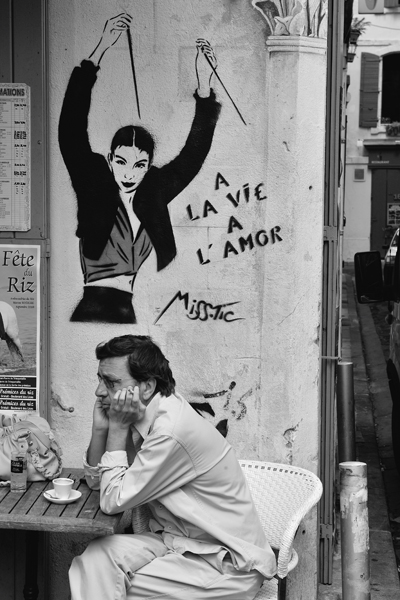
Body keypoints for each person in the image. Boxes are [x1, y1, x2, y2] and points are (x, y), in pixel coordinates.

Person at [69, 335, 277, 600]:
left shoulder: (169, 432)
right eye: (99, 379)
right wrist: (101, 429)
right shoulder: (142, 416)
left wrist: (117, 429)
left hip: (225, 563)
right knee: (94, 561)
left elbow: (112, 501)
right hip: (174, 541)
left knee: (103, 584)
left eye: (111, 382)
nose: (99, 391)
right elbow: (99, 483)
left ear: (147, 387)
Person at [59, 13, 221, 323]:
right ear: (110, 160)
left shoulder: (152, 194)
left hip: (127, 309)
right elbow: (71, 131)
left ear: (147, 168)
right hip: (94, 308)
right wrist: (98, 53)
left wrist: (204, 88)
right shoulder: (94, 185)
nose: (129, 173)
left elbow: (192, 157)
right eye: (121, 162)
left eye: (139, 165)